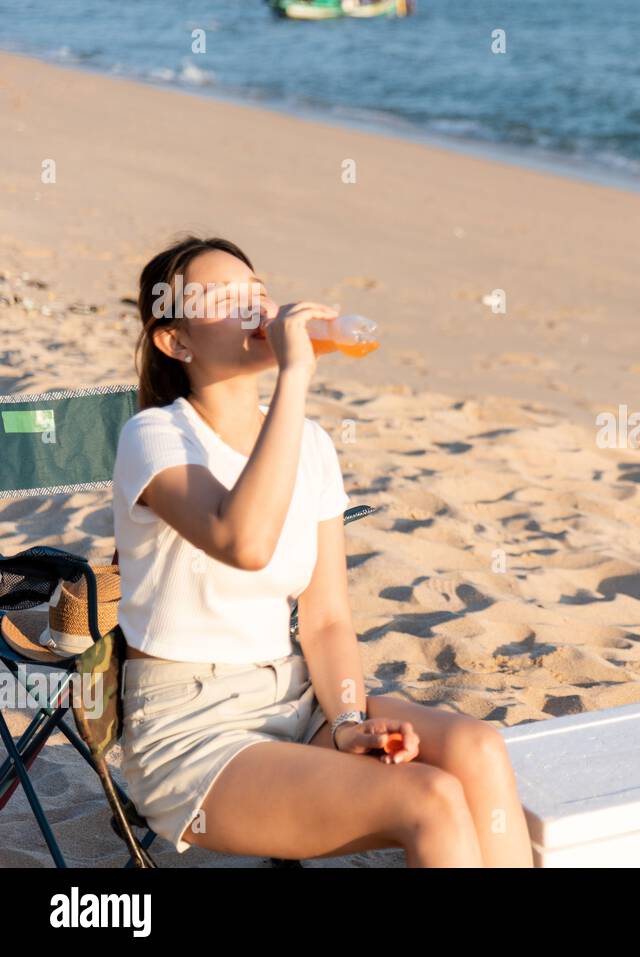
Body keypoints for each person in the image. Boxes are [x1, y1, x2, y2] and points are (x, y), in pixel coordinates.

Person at [113, 235, 533, 866]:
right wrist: (295, 377)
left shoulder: (308, 444)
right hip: (192, 731)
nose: (256, 311)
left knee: (477, 748)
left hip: (295, 697)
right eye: (227, 300)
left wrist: (344, 722)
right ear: (177, 342)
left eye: (258, 294)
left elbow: (327, 617)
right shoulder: (155, 437)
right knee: (430, 799)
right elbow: (243, 542)